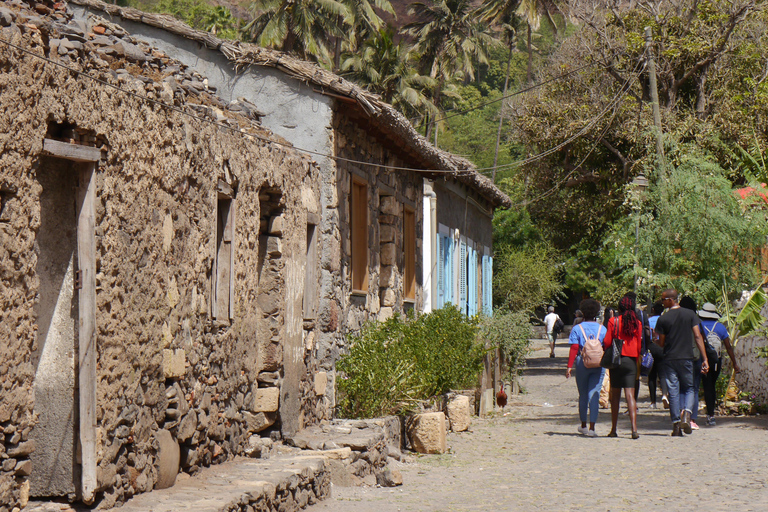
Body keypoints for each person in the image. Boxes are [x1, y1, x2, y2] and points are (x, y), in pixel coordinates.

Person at [655, 289, 709, 437]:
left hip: (670, 359)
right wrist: (704, 358)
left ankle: (676, 425)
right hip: (687, 358)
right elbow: (698, 336)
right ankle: (687, 413)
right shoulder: (690, 314)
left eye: (663, 299)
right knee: (689, 388)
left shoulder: (663, 319)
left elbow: (662, 343)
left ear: (671, 300)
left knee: (673, 391)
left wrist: (657, 341)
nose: (662, 302)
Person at [603, 295, 643, 439]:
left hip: (616, 360)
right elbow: (639, 345)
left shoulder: (614, 321)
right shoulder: (637, 323)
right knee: (630, 395)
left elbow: (607, 341)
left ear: (619, 308)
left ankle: (614, 429)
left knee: (615, 396)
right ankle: (634, 429)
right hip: (631, 360)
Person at [566, 299, 606, 437]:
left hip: (582, 362)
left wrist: (569, 366)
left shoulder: (578, 328)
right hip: (599, 364)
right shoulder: (602, 328)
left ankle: (583, 425)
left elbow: (574, 347)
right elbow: (606, 346)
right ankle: (592, 428)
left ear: (583, 312)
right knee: (594, 393)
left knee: (583, 394)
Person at [698, 302, 741, 426]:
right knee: (711, 385)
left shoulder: (698, 326)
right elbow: (728, 347)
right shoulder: (720, 327)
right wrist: (735, 363)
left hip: (702, 360)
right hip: (716, 360)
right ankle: (711, 414)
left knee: (706, 386)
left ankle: (708, 414)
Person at [679, 296, 704, 429]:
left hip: (679, 356)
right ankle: (691, 417)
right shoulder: (696, 320)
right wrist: (705, 358)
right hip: (695, 357)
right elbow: (700, 337)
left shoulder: (677, 319)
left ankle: (682, 410)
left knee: (682, 387)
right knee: (693, 387)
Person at [647, 301, 668, 409]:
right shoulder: (664, 320)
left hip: (651, 346)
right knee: (663, 373)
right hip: (662, 347)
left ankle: (653, 402)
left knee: (652, 375)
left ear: (653, 310)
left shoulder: (649, 320)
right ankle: (664, 394)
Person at [599, 307, 615, 409]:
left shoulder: (603, 326)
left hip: (605, 353)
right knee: (611, 378)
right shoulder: (615, 323)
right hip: (615, 353)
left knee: (606, 377)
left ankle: (605, 399)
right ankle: (611, 398)